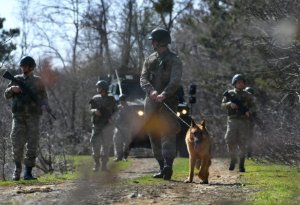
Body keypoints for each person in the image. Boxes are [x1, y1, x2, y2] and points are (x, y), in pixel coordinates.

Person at [140, 27, 182, 180]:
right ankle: (160, 166)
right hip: (151, 103)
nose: (152, 44)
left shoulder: (174, 60)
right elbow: (143, 78)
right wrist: (151, 91)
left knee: (168, 132)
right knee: (153, 133)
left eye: (153, 41)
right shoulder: (149, 59)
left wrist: (164, 94)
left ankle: (168, 166)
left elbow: (175, 81)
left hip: (168, 102)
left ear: (159, 42)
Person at [4, 56, 49, 180]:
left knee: (32, 145)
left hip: (34, 117)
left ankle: (28, 173)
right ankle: (17, 170)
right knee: (17, 144)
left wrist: (45, 106)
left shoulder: (38, 81)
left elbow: (44, 97)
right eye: (22, 66)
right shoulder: (16, 79)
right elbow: (6, 95)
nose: (23, 68)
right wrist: (12, 89)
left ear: (31, 67)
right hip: (18, 117)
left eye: (25, 66)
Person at [221, 74, 256, 172]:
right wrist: (229, 104)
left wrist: (249, 111)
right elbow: (222, 105)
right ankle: (233, 158)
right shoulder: (229, 93)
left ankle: (241, 164)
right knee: (229, 139)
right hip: (232, 120)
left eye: (242, 82)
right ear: (234, 83)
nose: (240, 84)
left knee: (242, 142)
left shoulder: (248, 95)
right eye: (238, 82)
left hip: (244, 121)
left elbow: (254, 106)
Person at [89, 80, 117, 172]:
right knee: (95, 145)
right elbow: (90, 109)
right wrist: (94, 111)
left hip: (107, 126)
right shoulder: (95, 98)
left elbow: (116, 112)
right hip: (96, 125)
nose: (97, 89)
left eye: (99, 87)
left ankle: (104, 165)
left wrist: (112, 118)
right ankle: (96, 164)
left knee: (106, 146)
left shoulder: (111, 99)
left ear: (103, 88)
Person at [113, 94, 133, 161]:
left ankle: (125, 156)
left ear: (125, 101)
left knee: (127, 143)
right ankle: (119, 157)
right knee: (117, 141)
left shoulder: (129, 108)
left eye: (123, 100)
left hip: (126, 127)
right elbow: (114, 116)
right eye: (121, 100)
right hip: (118, 127)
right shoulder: (118, 108)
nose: (121, 102)